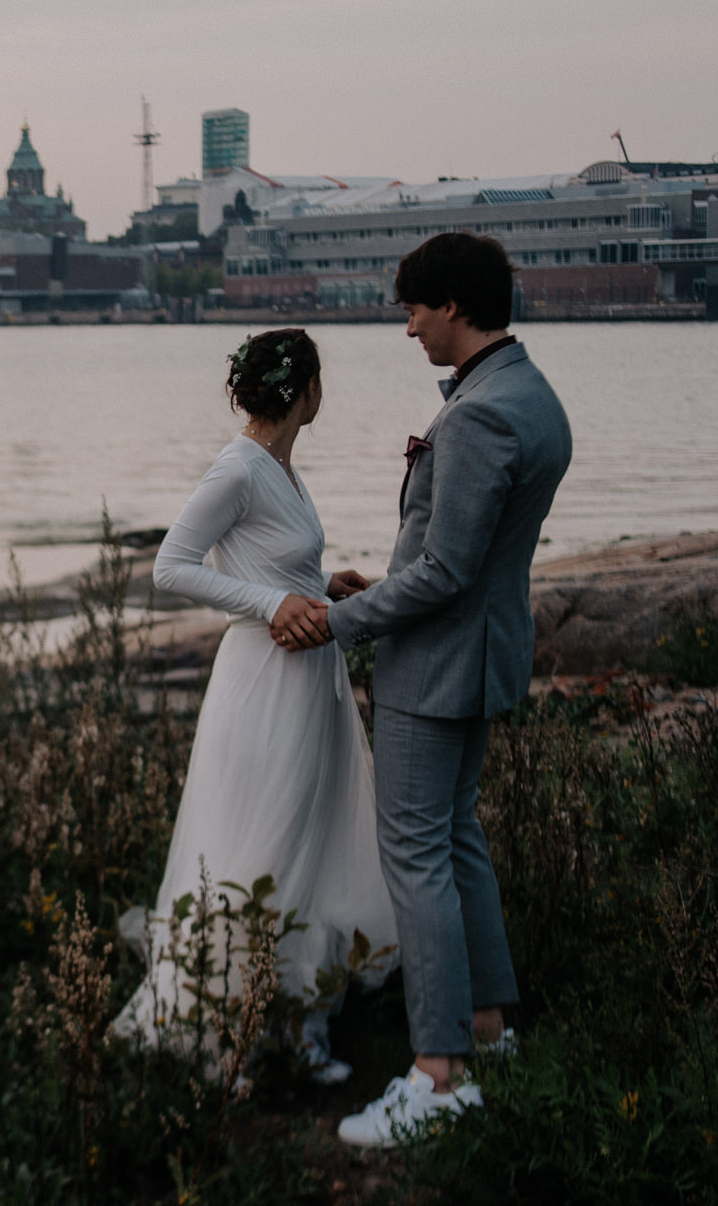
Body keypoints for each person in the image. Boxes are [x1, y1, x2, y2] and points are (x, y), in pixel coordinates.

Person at [274, 232, 572, 1148]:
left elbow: (446, 567)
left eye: (413, 309)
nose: (407, 328)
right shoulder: (531, 393)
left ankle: (436, 1077)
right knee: (455, 838)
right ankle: (487, 1028)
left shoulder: (478, 415)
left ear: (452, 304)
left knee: (415, 857)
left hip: (436, 670)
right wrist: (385, 582)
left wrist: (342, 620)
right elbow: (462, 562)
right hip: (478, 653)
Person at [110, 328, 398, 1082]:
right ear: (307, 390)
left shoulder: (282, 470)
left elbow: (271, 559)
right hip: (262, 682)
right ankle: (230, 1028)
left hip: (311, 677)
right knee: (259, 839)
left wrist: (321, 581)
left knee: (309, 840)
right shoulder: (237, 467)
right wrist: (272, 601)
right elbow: (173, 566)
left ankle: (297, 1022)